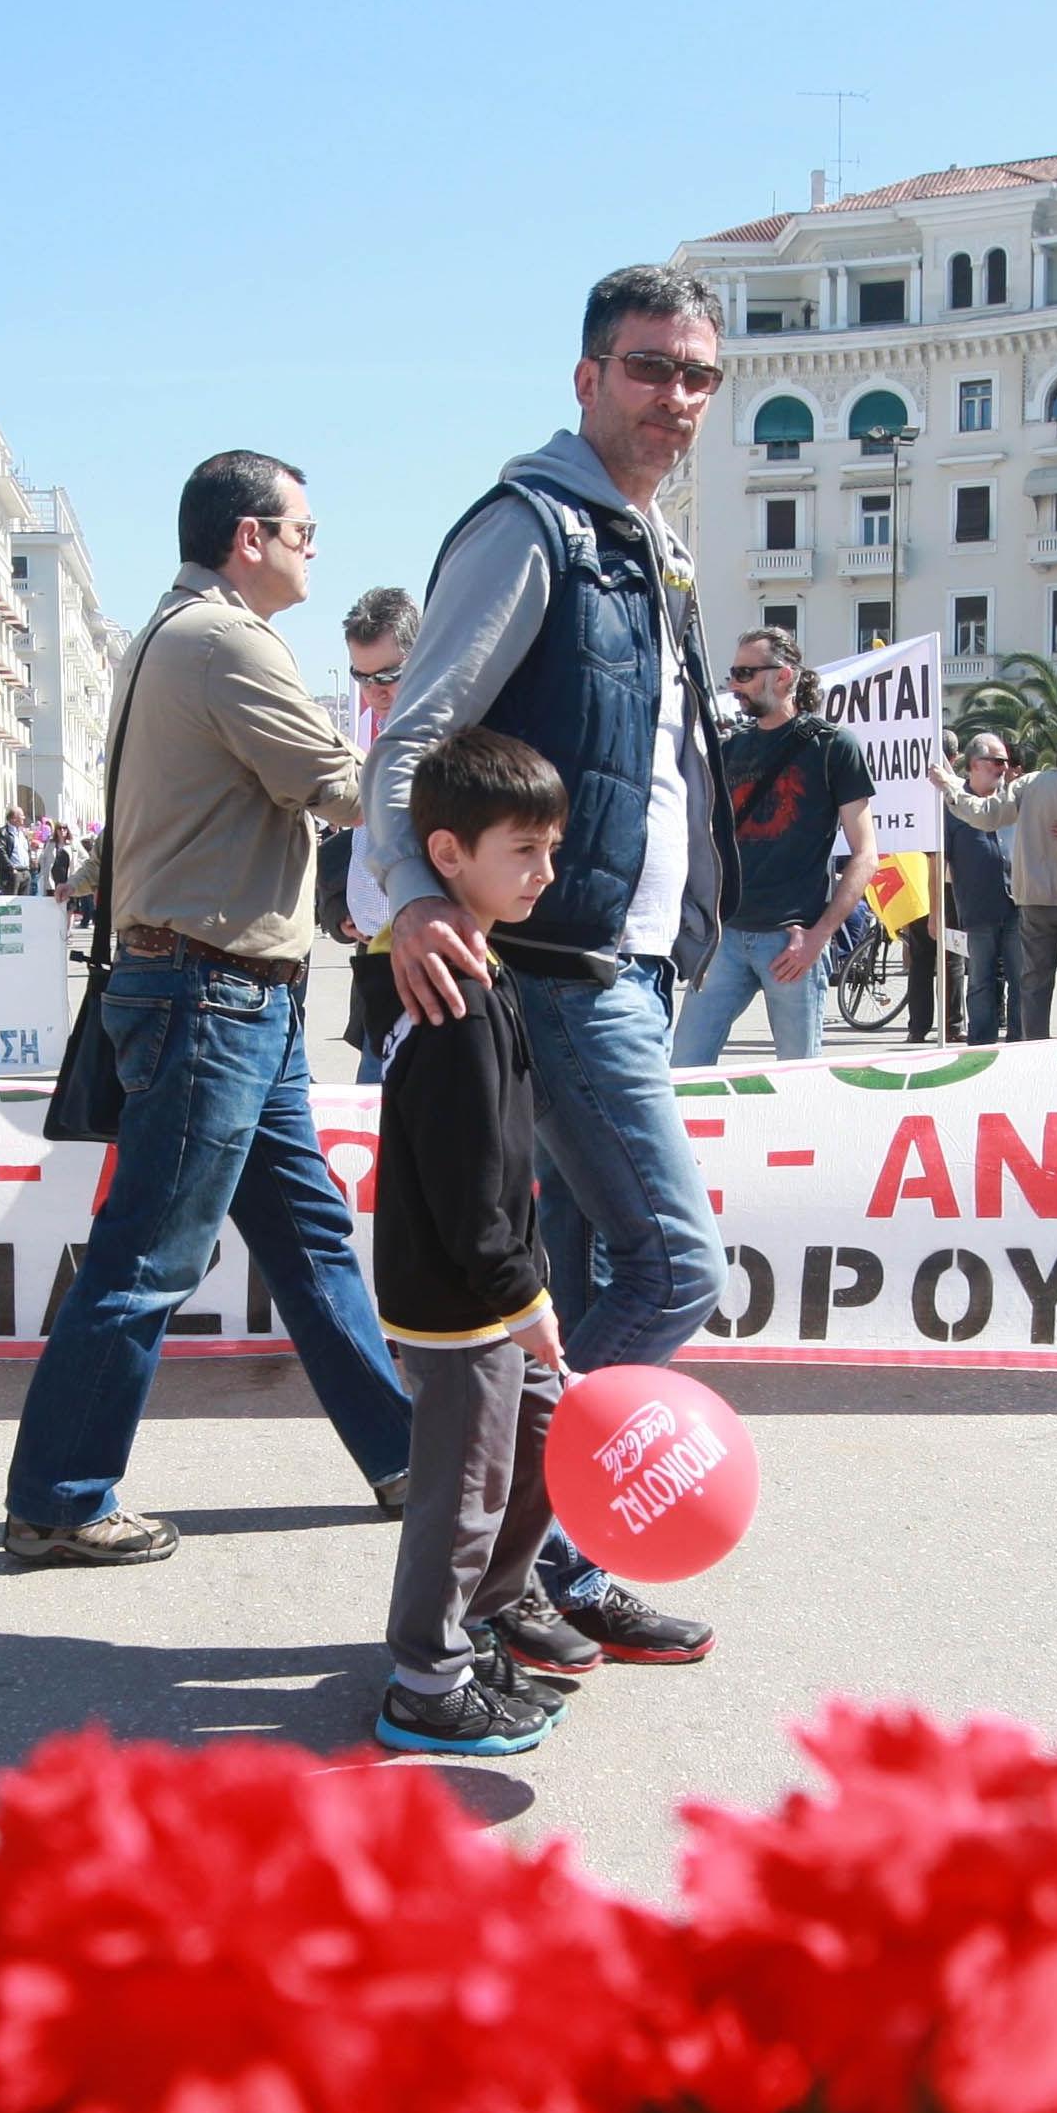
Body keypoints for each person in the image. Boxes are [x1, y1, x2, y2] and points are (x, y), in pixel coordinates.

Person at [365, 265, 741, 1666]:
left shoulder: (642, 543)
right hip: (555, 968)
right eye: (650, 369)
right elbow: (411, 739)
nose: (676, 399)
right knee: (671, 1266)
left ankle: (529, 1581)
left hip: (632, 965)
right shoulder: (535, 528)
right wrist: (410, 895)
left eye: (698, 375)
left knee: (572, 1304)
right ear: (586, 378)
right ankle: (537, 1560)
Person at [1, 450, 410, 1563]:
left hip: (231, 993)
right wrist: (443, 740)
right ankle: (59, 1497)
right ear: (249, 536)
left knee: (311, 1240)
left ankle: (401, 1455)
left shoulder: (178, 632)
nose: (313, 548)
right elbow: (342, 784)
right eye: (303, 529)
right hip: (212, 991)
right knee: (147, 1259)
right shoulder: (226, 640)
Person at [371, 727, 592, 1755]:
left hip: (497, 1284)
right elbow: (466, 1183)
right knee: (461, 1494)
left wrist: (524, 1278)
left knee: (530, 1451)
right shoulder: (451, 994)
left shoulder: (477, 961)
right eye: (523, 851)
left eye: (551, 848)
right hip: (461, 1301)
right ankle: (425, 1678)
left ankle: (477, 1626)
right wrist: (520, 1290)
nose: (545, 872)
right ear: (448, 854)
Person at [675, 627, 871, 1066]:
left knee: (799, 1081)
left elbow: (865, 854)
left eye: (745, 673)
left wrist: (819, 937)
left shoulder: (832, 745)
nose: (734, 686)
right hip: (725, 938)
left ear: (783, 676)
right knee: (683, 1070)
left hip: (792, 942)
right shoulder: (729, 748)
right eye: (733, 673)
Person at [937, 728, 1057, 1040]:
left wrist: (953, 791)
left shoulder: (1029, 784)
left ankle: (1032, 1047)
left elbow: (988, 815)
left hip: (1035, 903)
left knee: (1034, 983)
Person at [334, 584, 417, 1086]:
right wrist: (342, 910)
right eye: (361, 678)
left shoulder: (446, 737)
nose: (373, 692)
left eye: (387, 676)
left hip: (422, 962)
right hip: (376, 960)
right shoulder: (383, 741)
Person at [928, 730, 1026, 1046]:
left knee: (1022, 980)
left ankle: (1019, 1043)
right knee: (980, 982)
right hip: (977, 910)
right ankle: (981, 1048)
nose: (1003, 767)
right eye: (996, 761)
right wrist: (936, 913)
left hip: (1017, 906)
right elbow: (936, 864)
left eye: (1006, 762)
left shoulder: (1011, 803)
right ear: (973, 764)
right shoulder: (950, 807)